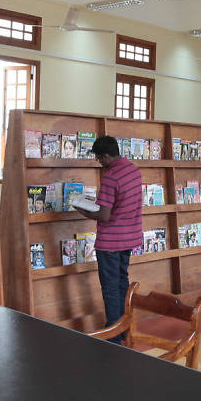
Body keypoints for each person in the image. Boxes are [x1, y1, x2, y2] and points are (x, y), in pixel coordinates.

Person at [74, 136, 142, 342]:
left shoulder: (110, 177)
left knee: (110, 289)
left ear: (105, 156)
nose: (99, 162)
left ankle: (113, 335)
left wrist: (82, 210)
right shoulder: (134, 170)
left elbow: (104, 215)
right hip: (129, 238)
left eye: (98, 158)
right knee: (122, 282)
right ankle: (123, 328)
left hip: (111, 242)